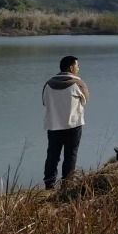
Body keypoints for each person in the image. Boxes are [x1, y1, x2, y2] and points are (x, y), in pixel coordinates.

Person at [42, 55, 89, 190]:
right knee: (70, 155)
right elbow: (85, 100)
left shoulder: (48, 84)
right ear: (71, 67)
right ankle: (67, 185)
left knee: (52, 156)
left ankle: (49, 184)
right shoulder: (78, 84)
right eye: (77, 66)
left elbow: (45, 103)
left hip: (53, 126)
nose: (78, 68)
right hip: (73, 125)